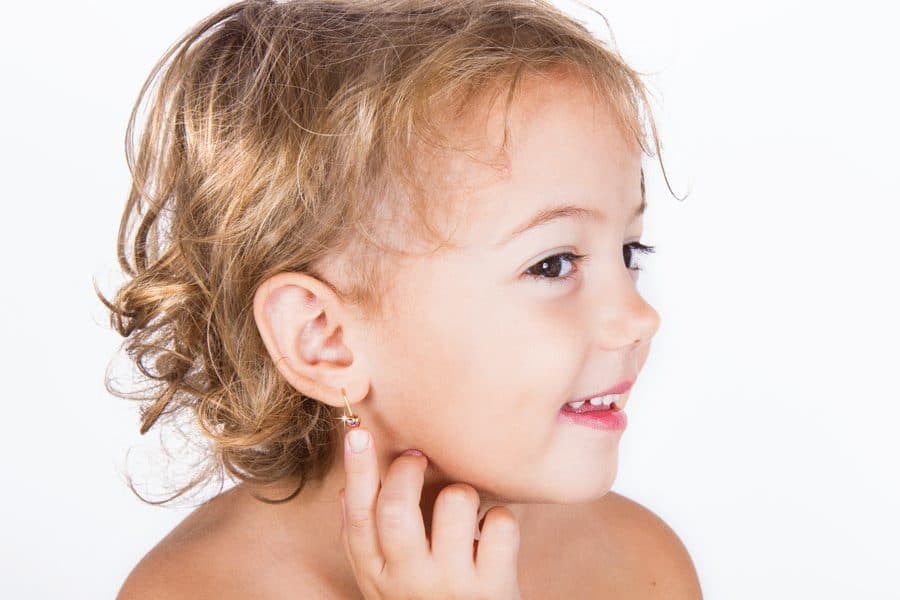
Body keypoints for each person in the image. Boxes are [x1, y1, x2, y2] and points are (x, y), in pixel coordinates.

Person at [102, 0, 702, 597]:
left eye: (629, 252)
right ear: (324, 339)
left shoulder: (636, 566)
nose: (638, 319)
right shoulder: (192, 590)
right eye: (553, 264)